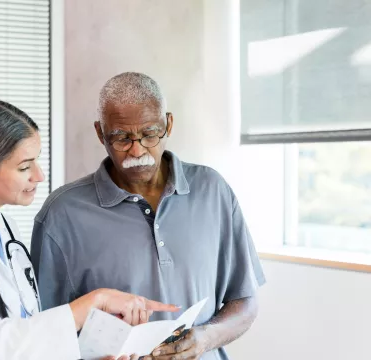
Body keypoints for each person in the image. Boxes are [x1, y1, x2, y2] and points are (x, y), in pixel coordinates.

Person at [0, 99, 179, 360]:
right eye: (24, 167)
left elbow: (27, 333)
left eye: (37, 160)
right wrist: (94, 302)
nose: (39, 175)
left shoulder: (7, 230)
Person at [31, 72, 266, 360]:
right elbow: (43, 331)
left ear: (168, 124)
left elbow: (245, 299)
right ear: (100, 133)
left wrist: (204, 339)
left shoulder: (212, 190)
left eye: (149, 134)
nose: (137, 149)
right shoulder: (62, 214)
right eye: (121, 138)